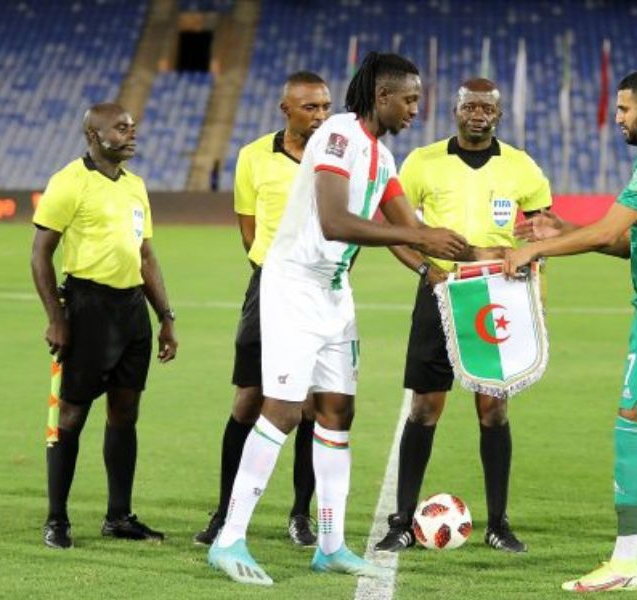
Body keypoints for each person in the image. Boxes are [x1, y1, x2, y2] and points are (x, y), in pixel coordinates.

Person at [206, 52, 470, 586]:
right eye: (411, 99)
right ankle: (230, 537)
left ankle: (329, 545)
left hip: (333, 292)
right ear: (382, 97)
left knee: (336, 412)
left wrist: (495, 257)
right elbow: (333, 221)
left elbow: (412, 227)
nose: (417, 110)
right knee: (281, 409)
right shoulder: (339, 136)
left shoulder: (383, 157)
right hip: (293, 286)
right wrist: (421, 238)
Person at [507, 70, 637, 591]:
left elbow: (608, 229)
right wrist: (563, 232)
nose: (618, 118)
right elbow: (627, 244)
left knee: (632, 419)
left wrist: (536, 247)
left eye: (624, 110)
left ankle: (625, 564)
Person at [374, 78, 552, 554]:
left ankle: (499, 522)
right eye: (470, 105)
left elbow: (542, 234)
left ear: (499, 114)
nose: (478, 113)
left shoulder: (522, 167)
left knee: (494, 409)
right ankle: (402, 521)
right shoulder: (422, 162)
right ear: (455, 110)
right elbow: (391, 227)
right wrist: (427, 269)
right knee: (425, 407)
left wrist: (535, 290)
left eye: (487, 107)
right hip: (439, 292)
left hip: (496, 297)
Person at [193, 71, 332, 548]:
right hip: (270, 289)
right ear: (286, 109)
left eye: (325, 107)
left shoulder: (336, 158)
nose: (320, 116)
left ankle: (300, 514)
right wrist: (275, 269)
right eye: (310, 107)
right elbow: (248, 229)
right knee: (248, 401)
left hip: (320, 291)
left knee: (310, 406)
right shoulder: (253, 156)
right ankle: (225, 511)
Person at [31, 103, 178, 549]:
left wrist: (165, 317)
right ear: (94, 135)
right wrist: (56, 317)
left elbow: (146, 256)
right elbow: (40, 255)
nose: (131, 134)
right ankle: (57, 519)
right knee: (71, 415)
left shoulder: (136, 187)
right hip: (87, 307)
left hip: (131, 310)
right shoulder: (68, 182)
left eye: (132, 127)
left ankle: (119, 515)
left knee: (124, 414)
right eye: (121, 128)